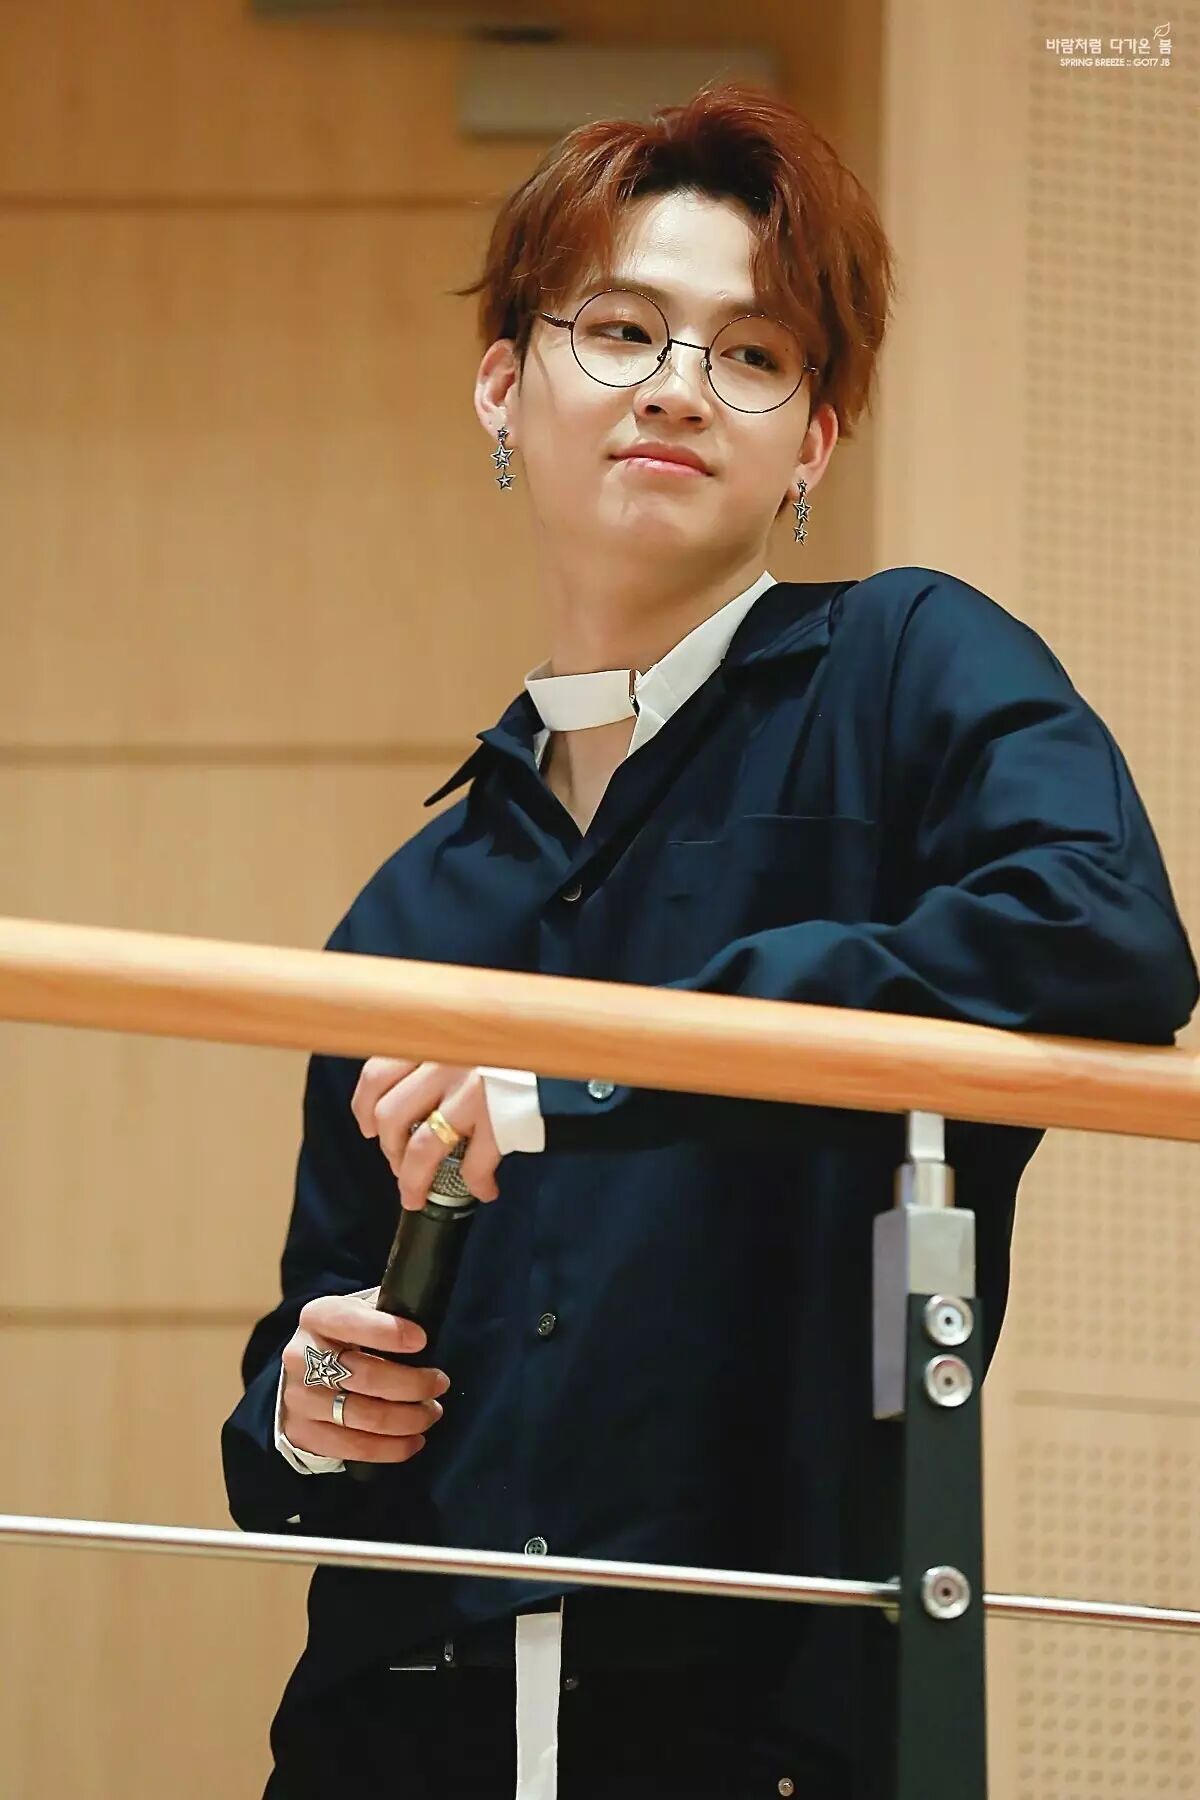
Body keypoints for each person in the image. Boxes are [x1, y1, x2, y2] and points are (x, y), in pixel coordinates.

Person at [221, 80, 1198, 1799]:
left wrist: (595, 1064)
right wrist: (305, 1406)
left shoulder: (908, 670)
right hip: (396, 1726)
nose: (680, 382)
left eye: (753, 354)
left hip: (755, 1718)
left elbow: (1104, 929)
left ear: (813, 442)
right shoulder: (412, 904)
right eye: (621, 329)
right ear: (501, 385)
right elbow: (291, 1402)